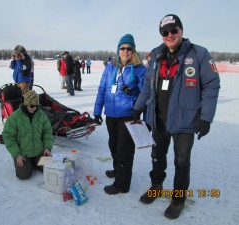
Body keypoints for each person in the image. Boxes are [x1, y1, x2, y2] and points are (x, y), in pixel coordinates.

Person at [133, 14, 220, 219]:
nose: (170, 35)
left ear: (181, 30)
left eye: (174, 30)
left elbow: (211, 85)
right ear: (162, 35)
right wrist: (138, 108)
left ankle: (178, 199)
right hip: (159, 118)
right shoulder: (155, 55)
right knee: (157, 157)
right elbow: (148, 85)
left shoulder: (199, 54)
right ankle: (156, 186)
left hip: (185, 120)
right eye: (165, 32)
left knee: (181, 162)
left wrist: (206, 117)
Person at [93, 34, 146, 195]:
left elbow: (146, 93)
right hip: (111, 113)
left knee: (125, 150)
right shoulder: (110, 67)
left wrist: (135, 100)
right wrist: (97, 111)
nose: (125, 51)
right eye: (123, 48)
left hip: (128, 114)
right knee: (113, 145)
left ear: (133, 50)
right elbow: (102, 89)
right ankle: (118, 170)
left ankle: (122, 184)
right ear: (118, 49)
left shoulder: (140, 69)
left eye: (129, 48)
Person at [2, 90, 54, 180]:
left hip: (39, 152)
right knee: (23, 175)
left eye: (37, 106)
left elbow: (47, 132)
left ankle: (35, 162)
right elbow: (8, 136)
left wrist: (47, 147)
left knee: (51, 168)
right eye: (32, 106)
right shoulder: (14, 117)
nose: (35, 108)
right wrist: (17, 154)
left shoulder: (41, 115)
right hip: (23, 154)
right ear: (26, 104)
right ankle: (29, 163)